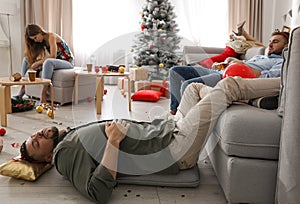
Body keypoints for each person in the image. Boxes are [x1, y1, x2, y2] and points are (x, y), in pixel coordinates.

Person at [19, 76, 280, 203]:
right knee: (229, 86)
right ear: (45, 159)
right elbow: (97, 192)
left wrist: (165, 122)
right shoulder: (63, 155)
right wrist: (114, 141)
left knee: (193, 88)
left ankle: (253, 101)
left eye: (34, 134)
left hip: (168, 131)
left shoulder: (69, 137)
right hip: (176, 149)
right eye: (35, 143)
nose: (38, 134)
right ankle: (289, 81)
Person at [169, 29, 289, 115]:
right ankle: (174, 111)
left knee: (187, 85)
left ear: (286, 46)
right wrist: (231, 61)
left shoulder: (281, 62)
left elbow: (267, 77)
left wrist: (243, 67)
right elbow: (243, 63)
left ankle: (181, 119)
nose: (270, 44)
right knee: (175, 71)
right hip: (220, 70)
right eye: (270, 41)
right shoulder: (262, 57)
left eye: (275, 42)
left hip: (226, 77)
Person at [16, 24, 74, 103]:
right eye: (33, 39)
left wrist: (38, 63)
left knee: (48, 62)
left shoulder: (51, 36)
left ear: (40, 32)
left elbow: (53, 56)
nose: (35, 40)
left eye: (35, 37)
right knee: (26, 59)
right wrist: (36, 63)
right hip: (57, 62)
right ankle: (23, 87)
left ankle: (43, 94)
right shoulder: (42, 42)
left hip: (68, 62)